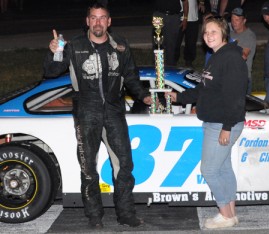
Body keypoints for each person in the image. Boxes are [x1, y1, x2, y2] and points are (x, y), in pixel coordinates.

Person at [43, 2, 152, 229]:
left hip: (114, 111)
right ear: (87, 21)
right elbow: (51, 71)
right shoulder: (74, 45)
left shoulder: (120, 45)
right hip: (86, 112)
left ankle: (126, 214)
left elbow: (131, 76)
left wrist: (144, 96)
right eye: (93, 18)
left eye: (102, 18)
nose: (98, 22)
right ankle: (94, 215)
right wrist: (56, 52)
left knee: (124, 165)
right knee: (88, 168)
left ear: (109, 22)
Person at [166, 16, 247, 229]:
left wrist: (227, 127)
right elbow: (203, 89)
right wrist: (178, 97)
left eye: (213, 32)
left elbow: (236, 97)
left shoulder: (230, 59)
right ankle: (231, 213)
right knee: (223, 168)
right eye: (206, 32)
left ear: (223, 34)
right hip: (218, 121)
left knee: (209, 170)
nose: (209, 36)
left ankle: (225, 215)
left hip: (222, 123)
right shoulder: (216, 56)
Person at [153, 0, 189, 66]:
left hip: (173, 17)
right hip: (158, 15)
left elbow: (185, 2)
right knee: (158, 43)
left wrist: (185, 18)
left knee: (171, 44)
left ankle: (170, 67)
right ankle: (158, 66)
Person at [230, 7, 256, 94]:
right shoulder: (230, 34)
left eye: (237, 20)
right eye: (232, 19)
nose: (234, 22)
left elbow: (243, 56)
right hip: (229, 78)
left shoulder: (249, 36)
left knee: (243, 107)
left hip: (242, 79)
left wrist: (231, 46)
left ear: (244, 21)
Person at [175, 0, 200, 67]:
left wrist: (202, 2)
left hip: (193, 16)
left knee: (191, 41)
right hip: (179, 16)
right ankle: (173, 60)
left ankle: (189, 61)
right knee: (175, 41)